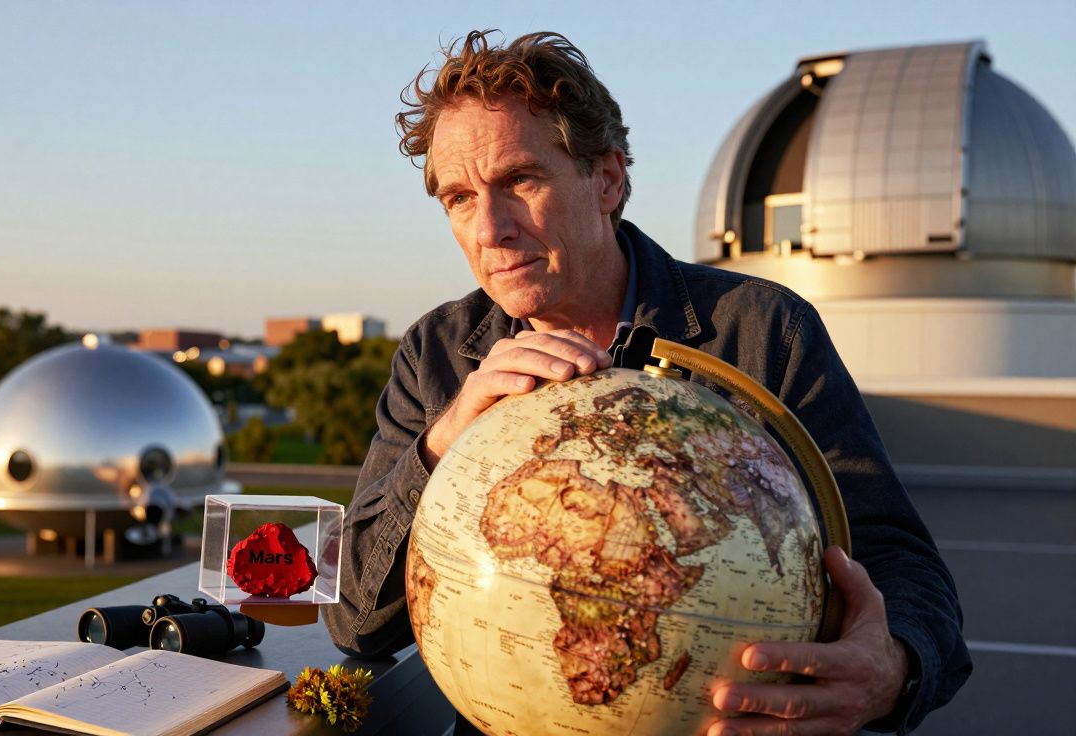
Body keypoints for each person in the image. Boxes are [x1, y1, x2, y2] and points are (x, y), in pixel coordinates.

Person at [324, 30, 971, 735]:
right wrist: (443, 440)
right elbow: (354, 621)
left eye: (520, 181)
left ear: (607, 179)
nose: (490, 228)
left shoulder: (762, 330)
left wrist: (892, 668)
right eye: (457, 197)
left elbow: (900, 565)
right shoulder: (437, 353)